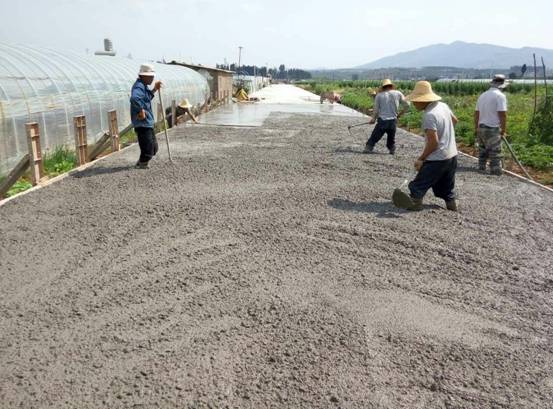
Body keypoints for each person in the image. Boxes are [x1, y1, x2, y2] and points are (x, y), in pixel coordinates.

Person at [392, 81, 459, 211]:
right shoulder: (443, 106)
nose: (414, 103)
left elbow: (433, 143)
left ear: (424, 100)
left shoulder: (429, 115)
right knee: (445, 188)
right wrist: (446, 134)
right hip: (452, 154)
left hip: (437, 158)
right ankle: (452, 205)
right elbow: (454, 120)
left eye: (416, 100)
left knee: (417, 185)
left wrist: (421, 159)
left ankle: (415, 203)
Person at [474, 74, 508, 175]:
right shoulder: (500, 96)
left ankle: (481, 168)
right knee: (495, 152)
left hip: (481, 126)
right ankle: (496, 171)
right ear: (501, 85)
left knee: (483, 150)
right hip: (492, 128)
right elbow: (502, 114)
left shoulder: (482, 95)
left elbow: (476, 113)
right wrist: (503, 130)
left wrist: (476, 128)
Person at [130, 63, 162, 169]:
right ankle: (142, 165)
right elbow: (134, 98)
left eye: (153, 76)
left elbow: (146, 98)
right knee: (148, 149)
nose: (152, 78)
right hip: (142, 123)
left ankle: (141, 162)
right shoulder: (139, 86)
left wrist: (154, 89)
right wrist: (140, 110)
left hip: (147, 122)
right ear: (143, 76)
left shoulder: (143, 86)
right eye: (150, 76)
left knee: (154, 148)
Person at [364, 79, 409, 155]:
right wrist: (400, 114)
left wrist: (373, 119)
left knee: (375, 135)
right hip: (393, 120)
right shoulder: (398, 93)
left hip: (382, 120)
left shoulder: (379, 95)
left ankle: (368, 147)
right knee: (391, 138)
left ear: (383, 87)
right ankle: (392, 148)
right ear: (391, 86)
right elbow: (407, 105)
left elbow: (376, 109)